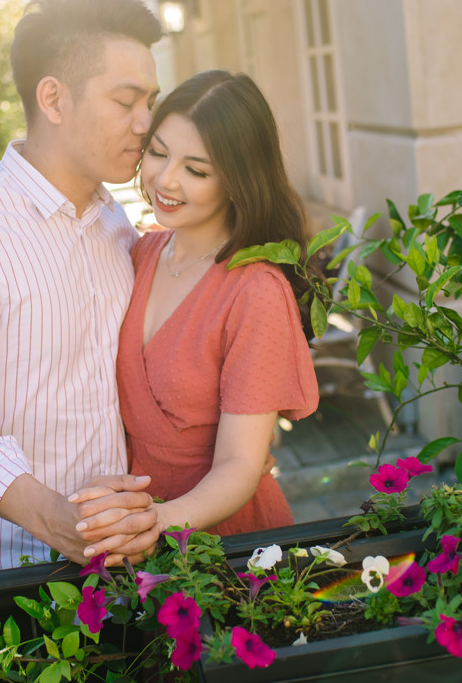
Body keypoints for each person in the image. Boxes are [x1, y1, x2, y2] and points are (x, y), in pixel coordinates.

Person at [0, 0, 164, 577]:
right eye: (126, 101)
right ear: (53, 97)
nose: (146, 122)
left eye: (151, 100)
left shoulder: (114, 219)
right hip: (4, 581)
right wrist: (54, 519)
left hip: (116, 566)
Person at [92, 71, 320, 536]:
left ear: (238, 180)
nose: (166, 180)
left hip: (225, 543)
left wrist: (157, 521)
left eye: (196, 170)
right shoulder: (138, 253)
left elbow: (241, 461)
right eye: (157, 153)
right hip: (136, 534)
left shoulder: (254, 289)